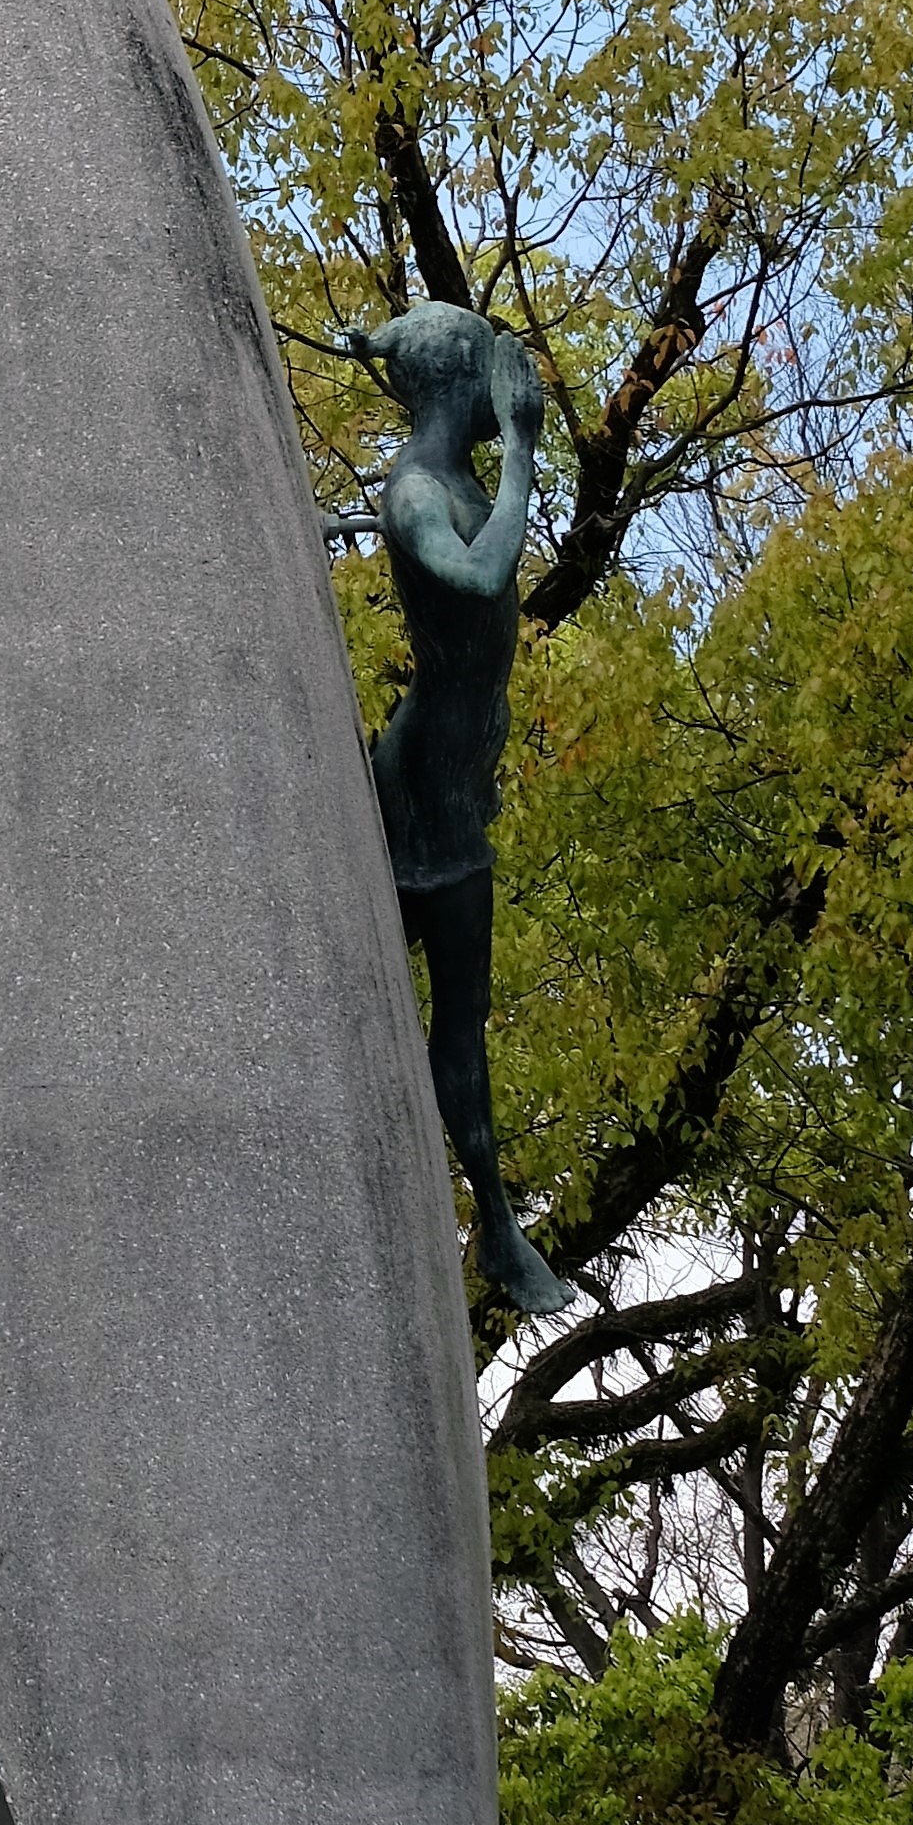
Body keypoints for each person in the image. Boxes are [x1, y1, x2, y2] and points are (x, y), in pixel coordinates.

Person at [351, 301, 567, 1323]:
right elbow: (481, 577)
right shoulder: (416, 495)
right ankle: (493, 1220)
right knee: (452, 1012)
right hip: (424, 788)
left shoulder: (438, 484)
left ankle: (490, 1218)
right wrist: (524, 451)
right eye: (491, 370)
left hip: (448, 770)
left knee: (459, 1010)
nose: (507, 387)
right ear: (454, 384)